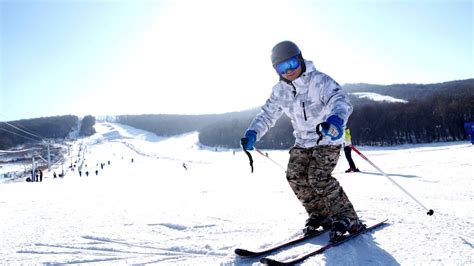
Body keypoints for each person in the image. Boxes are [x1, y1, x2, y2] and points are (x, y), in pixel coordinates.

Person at [240, 41, 363, 241]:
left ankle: (348, 217)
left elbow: (340, 101)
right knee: (294, 176)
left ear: (300, 58)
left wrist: (336, 120)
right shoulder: (280, 90)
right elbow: (267, 115)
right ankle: (321, 214)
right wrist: (253, 132)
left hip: (328, 137)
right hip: (303, 141)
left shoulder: (320, 81)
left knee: (318, 177)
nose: (288, 70)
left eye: (292, 63)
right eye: (282, 67)